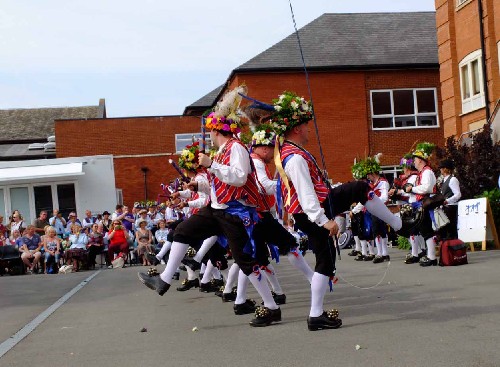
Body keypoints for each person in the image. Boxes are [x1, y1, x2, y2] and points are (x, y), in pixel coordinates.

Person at [138, 85, 282, 327]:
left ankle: (271, 306)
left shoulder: (236, 148)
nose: (209, 134)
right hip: (217, 208)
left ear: (218, 129)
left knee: (244, 260)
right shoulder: (222, 151)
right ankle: (164, 279)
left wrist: (211, 166)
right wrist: (198, 186)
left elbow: (237, 177)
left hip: (235, 212)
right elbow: (217, 185)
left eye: (211, 129)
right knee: (181, 231)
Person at [264, 91, 401, 330]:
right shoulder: (294, 157)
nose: (308, 130)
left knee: (325, 261)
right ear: (296, 128)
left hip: (313, 210)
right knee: (358, 188)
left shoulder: (291, 152)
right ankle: (398, 224)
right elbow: (306, 195)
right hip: (313, 212)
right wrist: (324, 220)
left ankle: (316, 314)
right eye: (306, 126)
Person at [404, 142, 439, 267]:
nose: (413, 162)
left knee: (427, 230)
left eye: (415, 159)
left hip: (426, 202)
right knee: (425, 230)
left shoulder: (427, 172)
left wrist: (412, 189)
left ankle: (432, 257)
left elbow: (426, 188)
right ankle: (430, 256)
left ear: (420, 160)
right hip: (422, 203)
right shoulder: (423, 172)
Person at [389, 154, 426, 264]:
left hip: (415, 204)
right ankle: (418, 251)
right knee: (411, 230)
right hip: (410, 204)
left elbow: (409, 190)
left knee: (412, 230)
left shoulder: (414, 177)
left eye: (404, 167)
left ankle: (417, 252)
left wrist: (397, 192)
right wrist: (396, 194)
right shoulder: (408, 178)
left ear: (408, 167)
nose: (403, 170)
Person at [438, 159, 461, 240]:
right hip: (445, 207)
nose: (440, 169)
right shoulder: (444, 180)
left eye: (441, 168)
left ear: (445, 169)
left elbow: (458, 194)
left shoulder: (453, 179)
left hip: (451, 207)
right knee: (445, 229)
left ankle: (453, 247)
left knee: (451, 229)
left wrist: (447, 201)